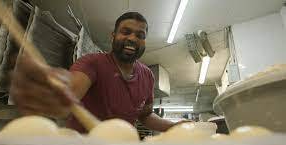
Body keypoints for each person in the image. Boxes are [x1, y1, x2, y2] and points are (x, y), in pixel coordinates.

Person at [10, 12, 179, 133]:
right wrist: (53, 95)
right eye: (125, 32)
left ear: (144, 42)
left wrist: (175, 127)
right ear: (113, 36)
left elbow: (146, 115)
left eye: (140, 35)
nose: (132, 38)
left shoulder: (148, 76)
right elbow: (70, 93)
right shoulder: (92, 63)